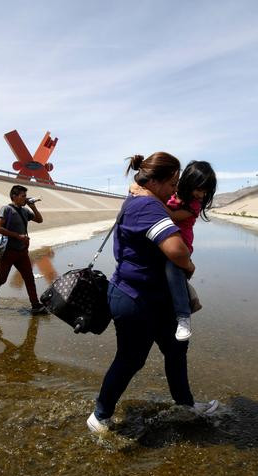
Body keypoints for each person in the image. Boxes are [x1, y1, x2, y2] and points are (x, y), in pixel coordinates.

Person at [87, 152, 219, 433]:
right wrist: (190, 265)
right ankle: (99, 416)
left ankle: (185, 405)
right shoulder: (147, 207)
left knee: (175, 349)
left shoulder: (143, 200)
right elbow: (176, 250)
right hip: (135, 298)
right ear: (157, 181)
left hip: (155, 297)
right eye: (172, 183)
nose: (175, 189)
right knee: (131, 358)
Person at [163, 161, 217, 341]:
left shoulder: (194, 205)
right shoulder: (173, 191)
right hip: (162, 237)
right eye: (199, 189)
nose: (201, 195)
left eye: (205, 191)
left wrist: (151, 200)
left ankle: (183, 316)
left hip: (181, 242)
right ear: (188, 182)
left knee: (173, 268)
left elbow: (173, 216)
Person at [0, 185, 48, 315]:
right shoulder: (6, 209)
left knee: (29, 278)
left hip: (22, 251)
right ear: (14, 196)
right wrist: (18, 236)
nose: (25, 198)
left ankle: (35, 305)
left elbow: (40, 220)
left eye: (26, 196)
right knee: (2, 278)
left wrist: (33, 206)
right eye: (23, 196)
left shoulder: (24, 211)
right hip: (8, 251)